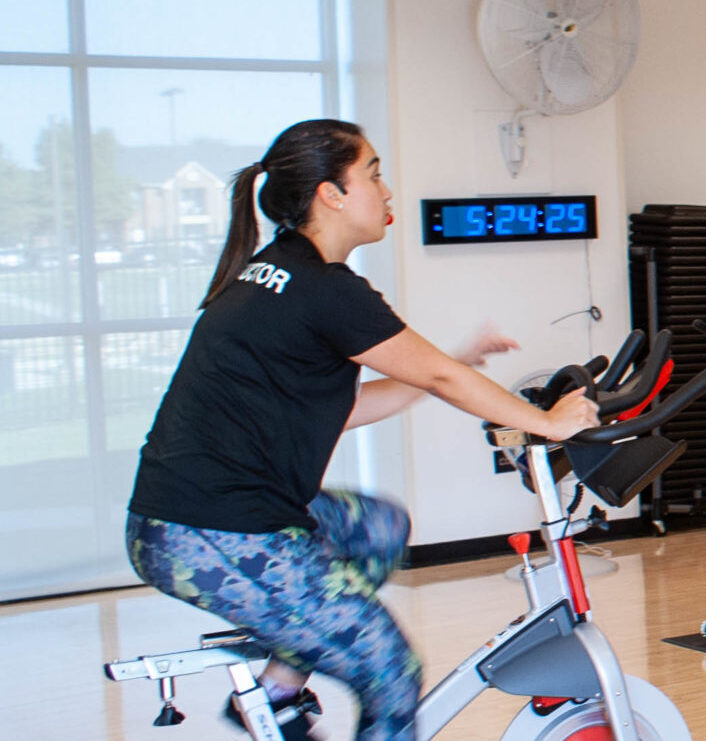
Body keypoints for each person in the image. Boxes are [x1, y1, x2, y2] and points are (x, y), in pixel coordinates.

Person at [124, 119, 599, 741]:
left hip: (202, 519)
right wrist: (546, 421)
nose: (387, 190)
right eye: (372, 174)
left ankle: (274, 694)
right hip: (212, 533)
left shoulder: (279, 272)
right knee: (389, 667)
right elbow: (435, 377)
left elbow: (343, 405)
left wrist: (455, 363)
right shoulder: (325, 289)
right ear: (331, 194)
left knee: (379, 528)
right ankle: (280, 694)